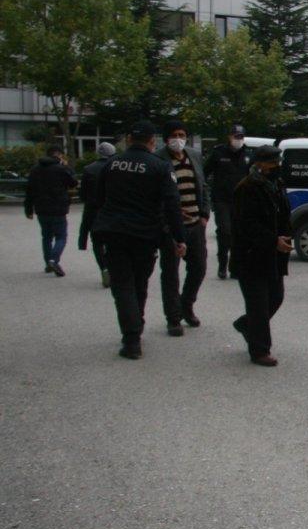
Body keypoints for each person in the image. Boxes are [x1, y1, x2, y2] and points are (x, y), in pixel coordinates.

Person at [92, 121, 187, 359]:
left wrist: (90, 233)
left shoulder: (112, 164)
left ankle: (132, 338)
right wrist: (179, 238)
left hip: (114, 233)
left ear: (129, 140)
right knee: (139, 284)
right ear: (152, 141)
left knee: (122, 285)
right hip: (145, 235)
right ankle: (136, 327)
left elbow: (97, 201)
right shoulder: (160, 166)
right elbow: (173, 205)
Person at [230, 145, 293, 366]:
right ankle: (259, 350)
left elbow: (283, 214)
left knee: (276, 297)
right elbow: (246, 225)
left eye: (278, 161)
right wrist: (273, 240)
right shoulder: (246, 188)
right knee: (258, 303)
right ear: (259, 164)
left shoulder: (277, 184)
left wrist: (286, 236)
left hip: (274, 256)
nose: (277, 166)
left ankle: (246, 325)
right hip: (251, 256)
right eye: (272, 162)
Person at [156, 119, 211, 336]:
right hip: (170, 227)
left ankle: (186, 304)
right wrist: (171, 213)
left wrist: (205, 214)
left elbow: (203, 186)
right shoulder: (158, 159)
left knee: (199, 268)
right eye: (174, 135)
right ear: (166, 138)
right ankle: (173, 317)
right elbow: (154, 195)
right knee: (170, 273)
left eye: (182, 134)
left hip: (195, 224)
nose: (178, 139)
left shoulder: (194, 156)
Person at [204, 124, 250, 279]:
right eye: (236, 137)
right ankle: (222, 265)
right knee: (225, 232)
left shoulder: (248, 154)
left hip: (241, 201)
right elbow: (204, 173)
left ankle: (234, 267)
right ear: (229, 137)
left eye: (241, 137)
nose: (239, 140)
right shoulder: (219, 153)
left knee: (238, 235)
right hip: (222, 200)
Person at [24, 144, 78, 277]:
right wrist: (66, 167)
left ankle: (48, 261)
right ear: (59, 155)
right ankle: (54, 260)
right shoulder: (60, 169)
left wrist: (28, 209)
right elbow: (73, 182)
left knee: (46, 237)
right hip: (58, 208)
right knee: (61, 236)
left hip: (41, 208)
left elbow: (29, 190)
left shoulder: (35, 169)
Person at [78, 142, 116, 286]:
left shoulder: (89, 169)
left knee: (97, 242)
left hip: (93, 211)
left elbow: (83, 194)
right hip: (112, 210)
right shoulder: (116, 167)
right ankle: (113, 267)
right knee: (113, 242)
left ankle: (104, 267)